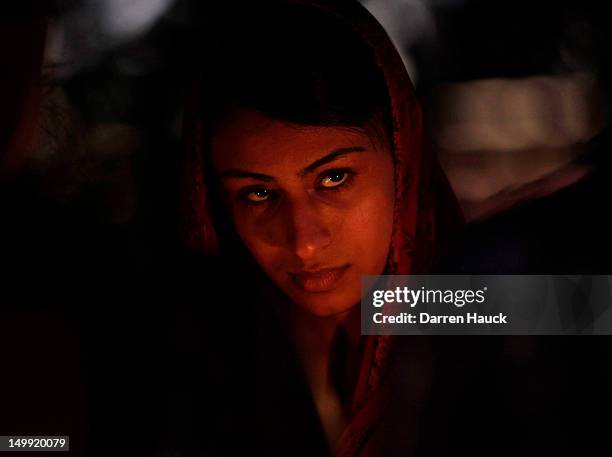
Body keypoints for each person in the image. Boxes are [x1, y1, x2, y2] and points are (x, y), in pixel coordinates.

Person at [175, 2, 469, 456]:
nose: (303, 241)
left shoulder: (487, 308)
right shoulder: (197, 348)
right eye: (257, 194)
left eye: (334, 178)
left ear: (404, 158)